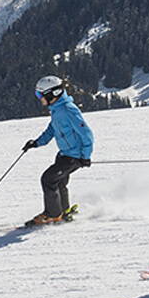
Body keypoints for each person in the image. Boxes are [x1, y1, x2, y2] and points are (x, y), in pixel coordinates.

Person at [19, 75, 93, 226]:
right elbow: (52, 129)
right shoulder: (57, 110)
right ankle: (63, 211)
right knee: (58, 182)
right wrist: (36, 143)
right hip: (64, 154)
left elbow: (87, 134)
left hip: (74, 156)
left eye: (40, 95)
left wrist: (85, 156)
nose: (39, 98)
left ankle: (53, 214)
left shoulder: (68, 110)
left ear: (53, 93)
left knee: (48, 179)